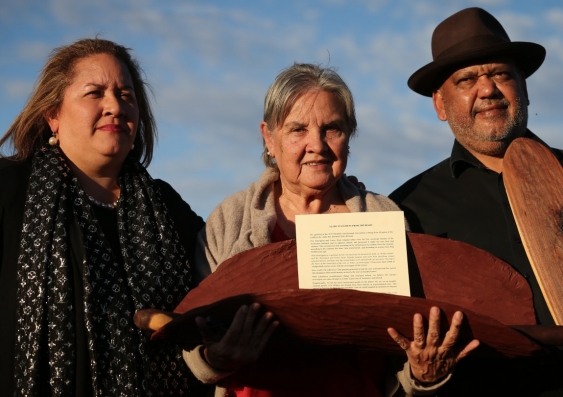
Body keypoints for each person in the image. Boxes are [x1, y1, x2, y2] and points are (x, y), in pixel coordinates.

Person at [182, 63, 478, 397]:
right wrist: (217, 359)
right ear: (269, 137)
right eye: (298, 130)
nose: (317, 145)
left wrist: (422, 374)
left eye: (332, 128)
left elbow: (408, 342)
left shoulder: (384, 216)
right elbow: (193, 337)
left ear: (349, 134)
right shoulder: (229, 221)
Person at [0, 38, 210, 396]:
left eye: (126, 95)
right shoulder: (9, 188)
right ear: (54, 115)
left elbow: (218, 290)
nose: (115, 105)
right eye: (94, 93)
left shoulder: (167, 207)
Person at [389, 7, 563, 396]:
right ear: (439, 104)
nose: (487, 89)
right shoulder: (407, 210)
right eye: (467, 79)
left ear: (525, 86)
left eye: (501, 73)